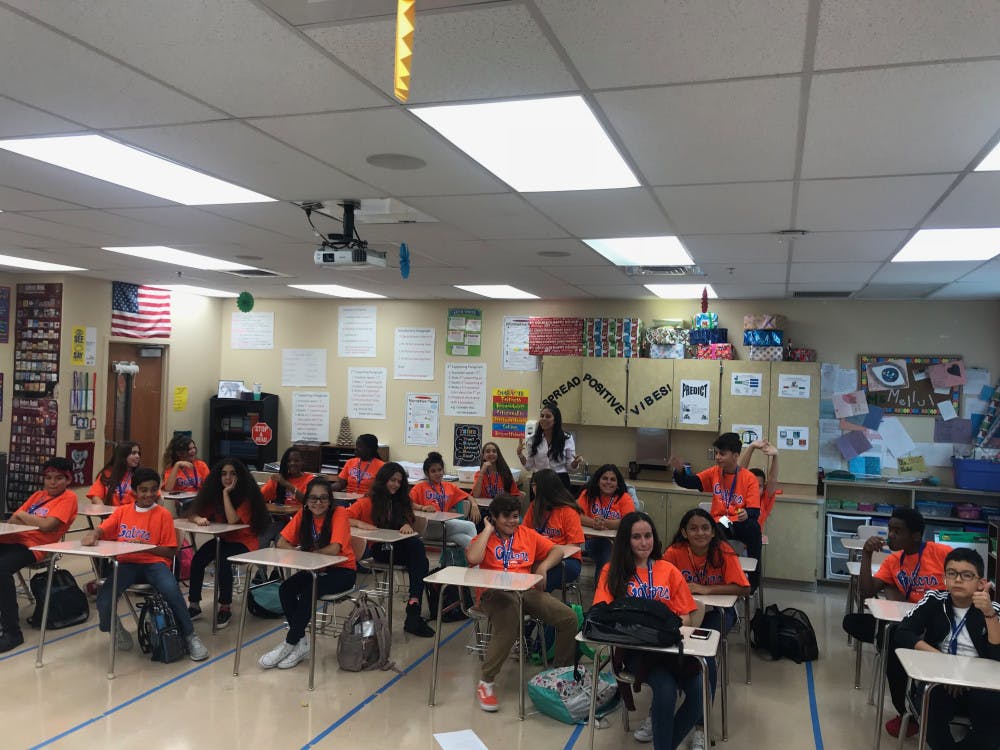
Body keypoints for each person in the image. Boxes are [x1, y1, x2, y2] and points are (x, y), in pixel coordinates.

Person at [593, 511, 705, 750]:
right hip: (635, 650)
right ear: (626, 540)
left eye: (648, 535)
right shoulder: (612, 571)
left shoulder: (667, 569)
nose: (644, 542)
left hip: (669, 645)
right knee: (665, 691)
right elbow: (604, 617)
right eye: (636, 537)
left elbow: (686, 614)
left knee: (699, 692)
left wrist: (666, 628)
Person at [842, 507, 952, 737]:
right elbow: (865, 592)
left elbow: (966, 573)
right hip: (907, 623)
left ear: (916, 536)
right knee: (854, 622)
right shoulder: (894, 561)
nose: (890, 535)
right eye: (890, 529)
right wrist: (866, 554)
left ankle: (912, 706)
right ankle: (905, 709)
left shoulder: (940, 552)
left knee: (891, 640)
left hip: (939, 624)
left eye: (897, 531)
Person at [466, 493, 579, 712]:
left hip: (525, 590)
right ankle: (486, 682)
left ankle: (559, 673)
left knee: (569, 618)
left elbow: (557, 550)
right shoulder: (484, 537)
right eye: (506, 517)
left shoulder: (527, 534)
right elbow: (473, 559)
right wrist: (487, 530)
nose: (512, 521)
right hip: (494, 593)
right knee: (510, 622)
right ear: (494, 518)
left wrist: (544, 566)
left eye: (515, 516)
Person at [82, 468, 209, 661]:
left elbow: (169, 552)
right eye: (143, 490)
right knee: (105, 597)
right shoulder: (122, 512)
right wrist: (93, 534)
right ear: (134, 491)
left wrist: (146, 547)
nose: (148, 494)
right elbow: (102, 529)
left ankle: (190, 636)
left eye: (152, 490)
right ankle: (113, 628)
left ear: (158, 490)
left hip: (155, 564)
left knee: (171, 591)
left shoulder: (163, 515)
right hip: (126, 564)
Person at [892, 548, 1000, 749]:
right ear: (944, 577)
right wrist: (946, 665)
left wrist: (989, 614)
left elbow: (997, 656)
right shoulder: (934, 600)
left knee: (993, 718)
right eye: (952, 573)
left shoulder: (992, 610)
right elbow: (903, 632)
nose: (958, 580)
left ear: (981, 583)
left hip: (981, 683)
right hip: (939, 679)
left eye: (967, 575)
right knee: (931, 708)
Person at [662, 508, 750, 743]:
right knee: (667, 652)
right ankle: (659, 713)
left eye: (705, 528)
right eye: (693, 528)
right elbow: (661, 584)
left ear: (713, 532)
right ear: (684, 531)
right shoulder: (674, 552)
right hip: (681, 612)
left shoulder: (723, 551)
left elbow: (744, 588)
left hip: (716, 614)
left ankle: (701, 726)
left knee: (704, 657)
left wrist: (706, 589)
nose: (699, 532)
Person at [259, 477, 357, 670]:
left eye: (323, 498)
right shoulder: (304, 515)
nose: (317, 503)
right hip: (315, 568)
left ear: (330, 500)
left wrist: (305, 553)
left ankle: (289, 643)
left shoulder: (339, 513)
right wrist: (299, 553)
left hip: (342, 571)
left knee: (308, 592)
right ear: (306, 501)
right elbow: (281, 542)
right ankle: (301, 642)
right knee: (286, 589)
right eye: (313, 498)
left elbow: (334, 549)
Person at [346, 462, 435, 637]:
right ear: (383, 480)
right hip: (380, 550)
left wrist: (406, 525)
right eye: (392, 480)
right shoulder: (367, 502)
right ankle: (413, 611)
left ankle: (413, 605)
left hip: (399, 548)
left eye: (399, 481)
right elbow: (342, 516)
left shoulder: (399, 502)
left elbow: (405, 519)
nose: (395, 484)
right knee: (419, 557)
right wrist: (359, 522)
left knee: (417, 551)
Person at [0, 457, 79, 653]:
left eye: (59, 478)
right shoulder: (37, 496)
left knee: (1, 569)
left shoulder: (69, 498)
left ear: (68, 480)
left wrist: (25, 517)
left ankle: (12, 631)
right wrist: (29, 520)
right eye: (48, 477)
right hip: (12, 538)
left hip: (36, 546)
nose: (52, 482)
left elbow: (47, 525)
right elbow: (13, 519)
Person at [669, 432, 762, 589]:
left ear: (735, 456)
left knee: (754, 528)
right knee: (708, 532)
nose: (718, 457)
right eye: (717, 453)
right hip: (720, 522)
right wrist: (679, 471)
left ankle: (752, 583)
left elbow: (754, 510)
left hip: (740, 521)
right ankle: (710, 576)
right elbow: (691, 482)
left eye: (722, 454)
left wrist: (747, 513)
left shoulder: (748, 478)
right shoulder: (714, 472)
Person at [184, 458, 270, 628]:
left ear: (240, 477)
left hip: (245, 542)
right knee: (198, 559)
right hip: (224, 539)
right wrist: (198, 518)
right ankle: (194, 604)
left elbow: (232, 520)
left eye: (232, 474)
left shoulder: (246, 496)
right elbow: (192, 513)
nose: (227, 478)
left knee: (223, 562)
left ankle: (225, 606)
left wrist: (226, 493)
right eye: (224, 474)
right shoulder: (213, 494)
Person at [522, 469, 585, 592]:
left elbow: (574, 545)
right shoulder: (534, 506)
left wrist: (549, 551)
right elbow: (523, 533)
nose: (532, 488)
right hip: (537, 557)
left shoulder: (568, 511)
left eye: (534, 485)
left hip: (567, 560)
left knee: (537, 582)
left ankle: (536, 606)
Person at [409, 451, 481, 551]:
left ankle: (475, 565)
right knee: (470, 526)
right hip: (427, 527)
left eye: (440, 470)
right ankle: (479, 558)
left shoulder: (448, 486)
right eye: (433, 471)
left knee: (465, 539)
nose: (438, 473)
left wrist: (474, 505)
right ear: (427, 473)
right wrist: (422, 507)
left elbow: (468, 496)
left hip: (444, 527)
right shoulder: (419, 487)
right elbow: (406, 503)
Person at [577, 464, 635, 575]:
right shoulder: (588, 494)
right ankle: (602, 589)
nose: (608, 482)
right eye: (604, 478)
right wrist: (594, 523)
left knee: (612, 553)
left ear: (617, 484)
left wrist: (605, 523)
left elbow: (629, 520)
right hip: (592, 541)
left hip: (619, 542)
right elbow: (577, 515)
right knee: (606, 553)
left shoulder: (624, 498)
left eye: (612, 479)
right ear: (598, 481)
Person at [516, 404, 583, 492]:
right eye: (542, 416)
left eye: (548, 416)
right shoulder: (533, 440)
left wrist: (575, 462)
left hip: (559, 480)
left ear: (555, 420)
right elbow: (529, 466)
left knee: (559, 506)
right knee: (538, 506)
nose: (543, 419)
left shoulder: (566, 438)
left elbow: (570, 467)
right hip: (539, 480)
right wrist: (520, 454)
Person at [738, 439, 780, 530]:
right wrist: (751, 447)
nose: (755, 490)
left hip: (753, 541)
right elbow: (740, 472)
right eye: (751, 486)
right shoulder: (739, 496)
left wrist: (775, 456)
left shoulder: (765, 501)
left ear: (764, 488)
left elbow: (772, 479)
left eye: (759, 486)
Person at [260, 447, 315, 511]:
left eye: (296, 461)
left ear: (302, 462)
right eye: (289, 461)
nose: (292, 463)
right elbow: (259, 498)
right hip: (280, 517)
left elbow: (308, 501)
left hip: (301, 518)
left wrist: (286, 484)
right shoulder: (279, 479)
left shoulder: (310, 479)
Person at [87, 441, 141, 505]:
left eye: (138, 453)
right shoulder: (107, 474)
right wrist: (104, 512)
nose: (138, 456)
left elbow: (153, 496)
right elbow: (95, 497)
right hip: (112, 513)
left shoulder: (141, 475)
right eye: (133, 453)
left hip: (133, 513)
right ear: (123, 455)